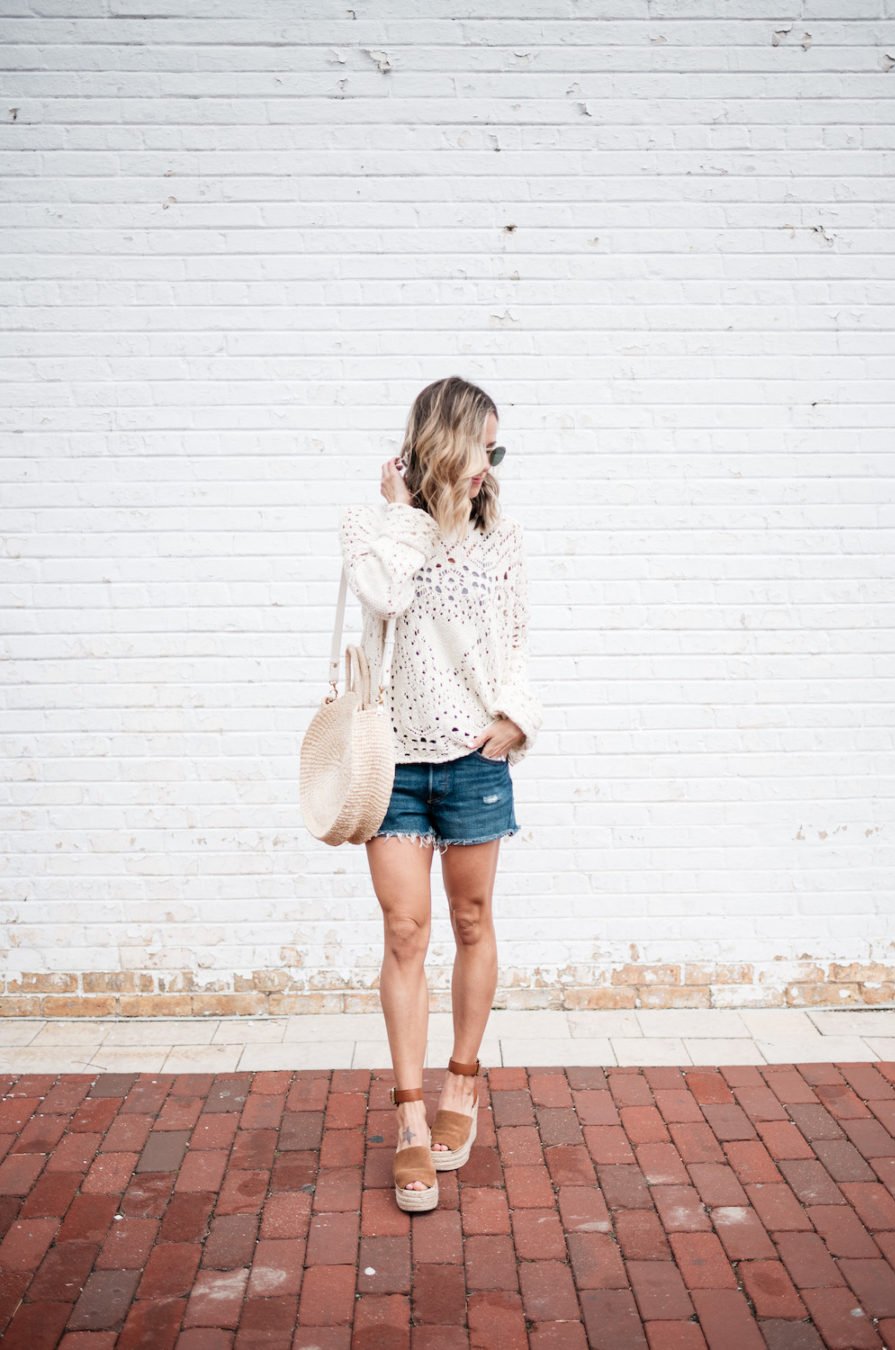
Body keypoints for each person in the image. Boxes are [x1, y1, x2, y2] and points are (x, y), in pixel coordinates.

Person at [338, 375, 542, 1212]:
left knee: (471, 921)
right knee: (403, 932)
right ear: (442, 444)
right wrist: (401, 515)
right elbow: (384, 597)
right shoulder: (373, 528)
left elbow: (518, 640)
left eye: (498, 450)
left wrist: (516, 718)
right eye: (481, 449)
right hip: (392, 764)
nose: (490, 465)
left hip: (472, 761)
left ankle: (462, 1081)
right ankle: (411, 1118)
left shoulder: (500, 539)